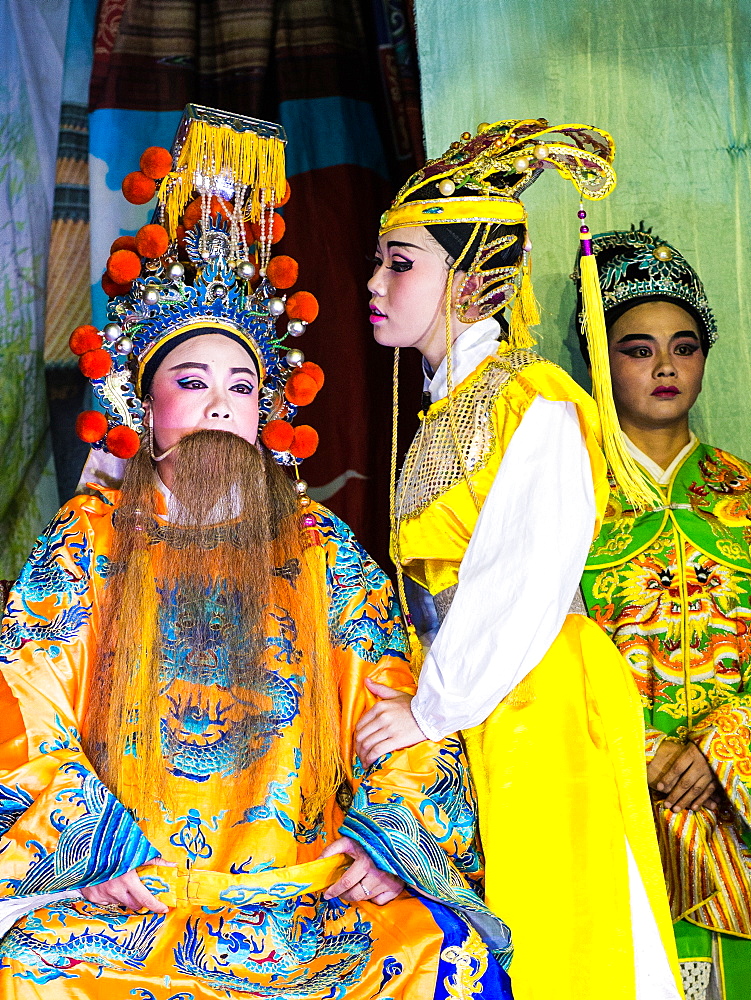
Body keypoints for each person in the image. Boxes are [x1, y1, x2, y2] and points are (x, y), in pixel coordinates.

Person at [0, 106, 514, 999]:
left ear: (266, 411)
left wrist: (388, 842)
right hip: (134, 894)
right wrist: (83, 848)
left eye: (242, 385)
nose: (219, 405)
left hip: (301, 887)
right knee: (34, 961)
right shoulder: (86, 541)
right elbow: (22, 704)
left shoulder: (319, 548)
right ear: (143, 409)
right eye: (189, 383)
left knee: (436, 950)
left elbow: (395, 707)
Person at [354, 118, 684, 1000]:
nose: (376, 283)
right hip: (475, 694)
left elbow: (521, 580)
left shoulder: (531, 404)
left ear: (475, 283)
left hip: (532, 692)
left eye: (400, 262)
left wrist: (432, 708)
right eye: (382, 261)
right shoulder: (446, 409)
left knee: (562, 935)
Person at [577, 226, 751, 1000]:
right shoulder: (565, 501)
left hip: (736, 809)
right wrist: (640, 752)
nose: (665, 366)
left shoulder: (745, 495)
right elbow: (541, 653)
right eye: (637, 348)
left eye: (682, 346)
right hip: (612, 807)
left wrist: (724, 746)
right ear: (598, 357)